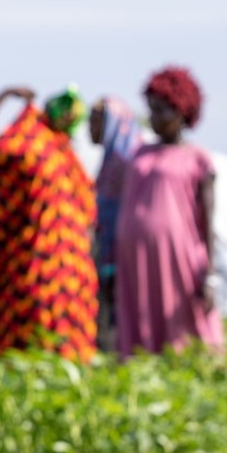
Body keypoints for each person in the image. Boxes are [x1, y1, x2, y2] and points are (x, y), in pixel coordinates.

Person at [0, 84, 98, 361]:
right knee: (42, 344)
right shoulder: (39, 153)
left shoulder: (56, 158)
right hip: (44, 271)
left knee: (41, 345)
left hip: (57, 274)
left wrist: (5, 94)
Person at [114, 66, 223, 358]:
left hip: (178, 255)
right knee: (140, 311)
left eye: (161, 111)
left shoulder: (197, 158)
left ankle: (196, 362)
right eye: (151, 110)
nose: (154, 118)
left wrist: (210, 273)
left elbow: (208, 219)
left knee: (183, 317)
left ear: (182, 112)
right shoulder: (139, 153)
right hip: (137, 257)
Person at [88, 96, 142, 349]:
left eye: (96, 122)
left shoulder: (126, 160)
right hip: (108, 246)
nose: (90, 128)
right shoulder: (111, 159)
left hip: (121, 250)